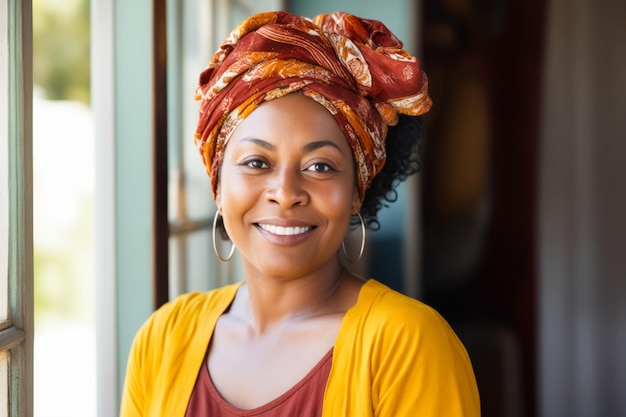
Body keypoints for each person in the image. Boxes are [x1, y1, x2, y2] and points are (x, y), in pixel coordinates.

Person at [120, 10, 480, 417]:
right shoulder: (164, 338)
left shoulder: (407, 344)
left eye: (320, 167)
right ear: (218, 185)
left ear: (356, 191)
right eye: (257, 162)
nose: (286, 193)